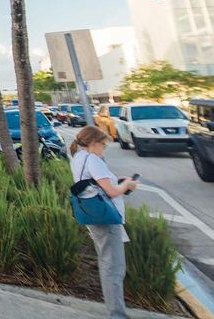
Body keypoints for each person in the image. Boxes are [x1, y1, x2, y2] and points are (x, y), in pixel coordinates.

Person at [70, 125, 138, 319]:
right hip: (106, 218)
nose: (104, 149)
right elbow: (112, 192)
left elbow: (94, 184)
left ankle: (115, 311)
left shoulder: (78, 157)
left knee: (107, 263)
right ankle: (117, 314)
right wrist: (127, 185)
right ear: (93, 143)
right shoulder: (93, 159)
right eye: (103, 145)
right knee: (114, 267)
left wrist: (117, 180)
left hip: (94, 215)